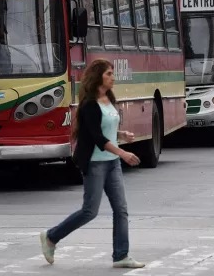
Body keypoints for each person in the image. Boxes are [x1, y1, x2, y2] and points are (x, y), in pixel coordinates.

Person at [39, 59, 145, 269]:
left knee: (121, 209)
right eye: (109, 74)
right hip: (96, 163)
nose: (113, 77)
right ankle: (51, 236)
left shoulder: (109, 98)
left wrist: (122, 134)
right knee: (90, 211)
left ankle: (121, 255)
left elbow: (107, 130)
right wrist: (123, 153)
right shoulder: (89, 104)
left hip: (112, 163)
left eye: (112, 73)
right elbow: (97, 138)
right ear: (98, 77)